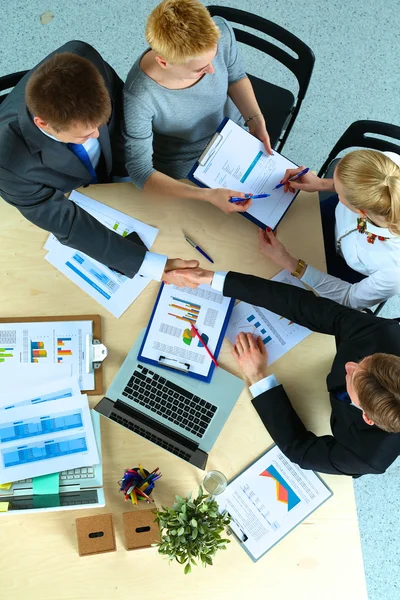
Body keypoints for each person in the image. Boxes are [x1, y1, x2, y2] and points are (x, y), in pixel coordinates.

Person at [169, 265, 400, 476]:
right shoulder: (385, 336)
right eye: (365, 360)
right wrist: (213, 279)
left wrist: (257, 377)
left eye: (353, 376)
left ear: (367, 418)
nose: (349, 364)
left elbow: (300, 450)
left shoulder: (368, 457)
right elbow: (307, 307)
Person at [0, 41, 197, 285]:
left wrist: (124, 177)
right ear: (43, 124)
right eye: (83, 135)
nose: (95, 135)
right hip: (67, 191)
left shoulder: (85, 58)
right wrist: (155, 267)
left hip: (115, 175)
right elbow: (68, 224)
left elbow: (122, 122)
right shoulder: (7, 163)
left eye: (97, 125)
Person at [124, 0, 272, 216]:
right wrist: (207, 196)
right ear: (164, 62)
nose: (212, 71)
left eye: (213, 59)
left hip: (233, 132)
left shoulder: (220, 30)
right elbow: (140, 171)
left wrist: (256, 121)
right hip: (184, 160)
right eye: (201, 69)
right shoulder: (140, 95)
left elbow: (236, 77)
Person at [258, 149, 400, 309]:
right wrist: (322, 184)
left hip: (343, 268)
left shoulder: (393, 272)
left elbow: (349, 298)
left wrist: (289, 262)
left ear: (361, 212)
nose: (333, 184)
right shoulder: (388, 164)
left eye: (338, 191)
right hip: (332, 217)